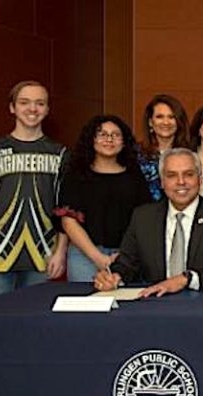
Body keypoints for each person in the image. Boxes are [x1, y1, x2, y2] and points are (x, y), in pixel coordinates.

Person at [93, 148, 203, 296]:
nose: (181, 182)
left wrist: (188, 279)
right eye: (172, 175)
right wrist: (113, 276)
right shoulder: (143, 217)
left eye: (188, 174)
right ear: (162, 182)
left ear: (200, 179)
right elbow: (126, 264)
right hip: (154, 303)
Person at [0, 80, 68, 298]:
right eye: (24, 102)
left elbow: (65, 209)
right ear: (12, 107)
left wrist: (61, 251)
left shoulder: (60, 154)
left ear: (47, 109)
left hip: (43, 254)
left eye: (40, 103)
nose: (33, 109)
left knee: (34, 317)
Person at [56, 115, 150, 282]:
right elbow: (68, 220)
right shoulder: (76, 175)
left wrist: (124, 256)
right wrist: (97, 257)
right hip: (84, 256)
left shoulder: (134, 175)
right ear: (91, 139)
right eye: (102, 134)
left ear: (124, 142)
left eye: (116, 135)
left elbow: (144, 218)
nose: (109, 139)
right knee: (86, 299)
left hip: (126, 256)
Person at [138, 94, 190, 201]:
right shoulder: (136, 154)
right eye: (159, 117)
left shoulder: (190, 153)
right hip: (144, 209)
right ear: (150, 122)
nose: (166, 122)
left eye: (171, 117)